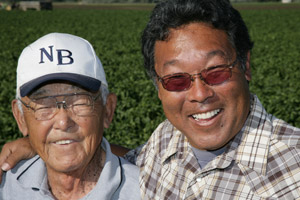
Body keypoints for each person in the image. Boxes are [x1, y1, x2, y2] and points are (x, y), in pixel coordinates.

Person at [1, 0, 300, 199]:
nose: (199, 94)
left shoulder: (292, 176)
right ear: (159, 86)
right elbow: (122, 157)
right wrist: (45, 143)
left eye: (216, 72)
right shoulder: (168, 140)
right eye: (177, 80)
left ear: (245, 66)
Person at [0, 33, 140, 200]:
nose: (63, 121)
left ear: (108, 110)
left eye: (80, 102)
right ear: (20, 117)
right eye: (44, 105)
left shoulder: (148, 192)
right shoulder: (6, 187)